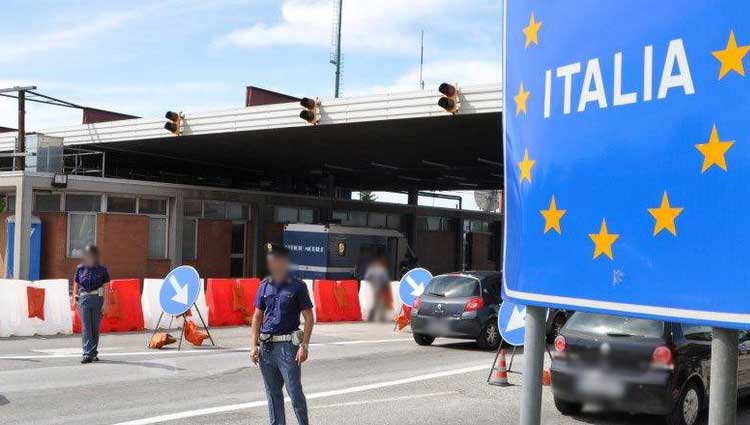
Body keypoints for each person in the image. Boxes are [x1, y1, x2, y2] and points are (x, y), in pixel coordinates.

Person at [251, 243, 314, 425]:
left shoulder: (298, 286)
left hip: (288, 347)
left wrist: (305, 346)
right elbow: (257, 317)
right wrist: (253, 346)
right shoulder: (264, 286)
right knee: (273, 394)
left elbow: (309, 318)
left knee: (294, 392)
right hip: (266, 348)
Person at [71, 244, 110, 364]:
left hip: (97, 299)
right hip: (83, 299)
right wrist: (73, 299)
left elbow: (106, 286)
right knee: (86, 327)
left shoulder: (102, 270)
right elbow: (76, 284)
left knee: (95, 327)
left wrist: (105, 304)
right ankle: (87, 353)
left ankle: (93, 353)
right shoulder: (80, 268)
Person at [364, 256, 392, 322]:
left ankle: (372, 317)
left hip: (374, 288)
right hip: (381, 288)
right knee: (381, 304)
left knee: (376, 303)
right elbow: (386, 280)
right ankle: (380, 318)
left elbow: (367, 277)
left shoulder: (371, 269)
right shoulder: (383, 270)